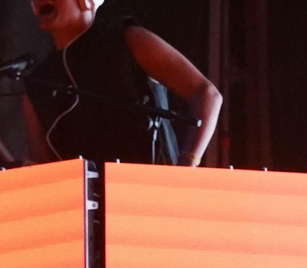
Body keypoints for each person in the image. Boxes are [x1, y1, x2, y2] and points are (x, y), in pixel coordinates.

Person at [22, 0, 222, 166]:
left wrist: (188, 161)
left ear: (86, 2)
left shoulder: (129, 40)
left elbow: (207, 94)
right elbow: (44, 167)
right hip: (84, 210)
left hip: (151, 199)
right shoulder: (38, 85)